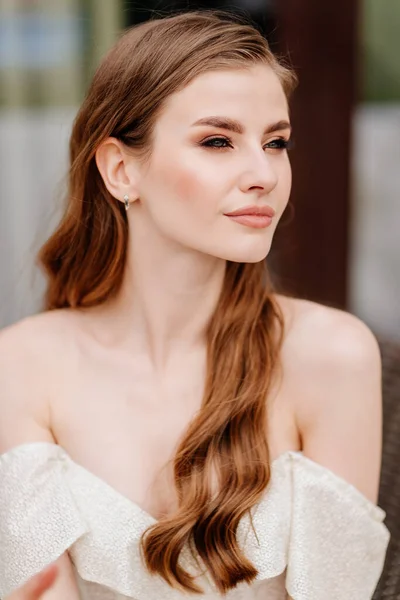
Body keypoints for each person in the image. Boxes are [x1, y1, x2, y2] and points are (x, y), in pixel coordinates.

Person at [0, 10, 390, 600]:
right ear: (121, 168)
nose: (263, 174)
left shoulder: (331, 355)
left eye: (276, 142)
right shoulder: (24, 363)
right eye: (217, 141)